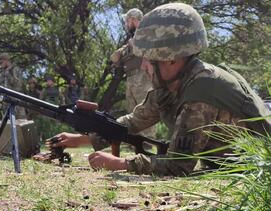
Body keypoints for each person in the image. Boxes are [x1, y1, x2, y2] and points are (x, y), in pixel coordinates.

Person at [50, 3, 271, 176]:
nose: (144, 66)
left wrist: (122, 164)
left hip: (255, 168)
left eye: (148, 60)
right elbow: (132, 123)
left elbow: (178, 166)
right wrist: (82, 138)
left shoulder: (201, 92)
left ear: (171, 59)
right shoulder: (173, 85)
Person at [110, 8, 155, 138]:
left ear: (133, 19)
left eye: (127, 21)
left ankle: (147, 140)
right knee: (132, 110)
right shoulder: (133, 37)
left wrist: (131, 46)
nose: (126, 24)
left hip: (143, 76)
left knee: (145, 108)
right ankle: (134, 140)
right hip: (131, 76)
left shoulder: (145, 33)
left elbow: (145, 52)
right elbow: (115, 57)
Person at [0, 52, 26, 119]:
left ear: (6, 61)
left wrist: (8, 74)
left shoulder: (16, 70)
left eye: (1, 63)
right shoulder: (1, 73)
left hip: (16, 102)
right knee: (7, 124)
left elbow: (18, 84)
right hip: (6, 103)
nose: (0, 65)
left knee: (20, 123)